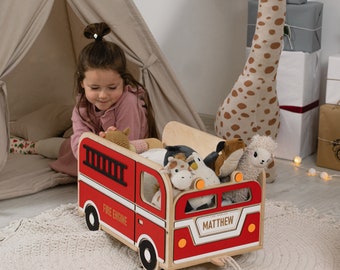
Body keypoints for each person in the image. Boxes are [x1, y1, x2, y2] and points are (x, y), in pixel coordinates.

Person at [50, 22, 157, 177]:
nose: (103, 95)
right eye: (94, 88)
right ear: (83, 84)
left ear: (123, 81)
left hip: (123, 160)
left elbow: (128, 148)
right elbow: (79, 143)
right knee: (65, 148)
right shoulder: (81, 107)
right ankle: (32, 147)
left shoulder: (128, 102)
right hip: (93, 157)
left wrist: (107, 141)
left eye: (112, 87)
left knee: (65, 148)